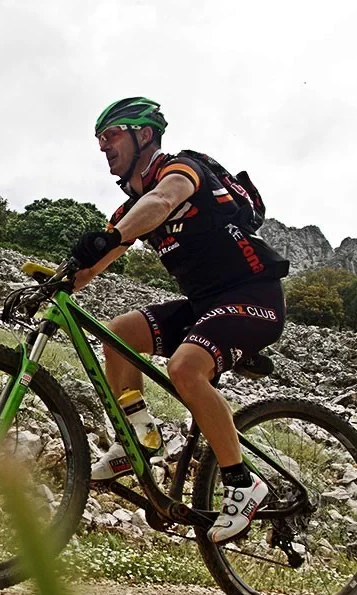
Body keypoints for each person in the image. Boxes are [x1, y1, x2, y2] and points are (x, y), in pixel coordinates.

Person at [70, 96, 289, 544]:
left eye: (111, 135)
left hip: (253, 297)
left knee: (185, 367)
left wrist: (112, 235)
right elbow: (93, 265)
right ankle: (139, 435)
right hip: (205, 304)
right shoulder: (132, 208)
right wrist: (52, 285)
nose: (102, 147)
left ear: (143, 135)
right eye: (98, 139)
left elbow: (164, 200)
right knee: (117, 333)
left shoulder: (181, 169)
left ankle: (244, 484)